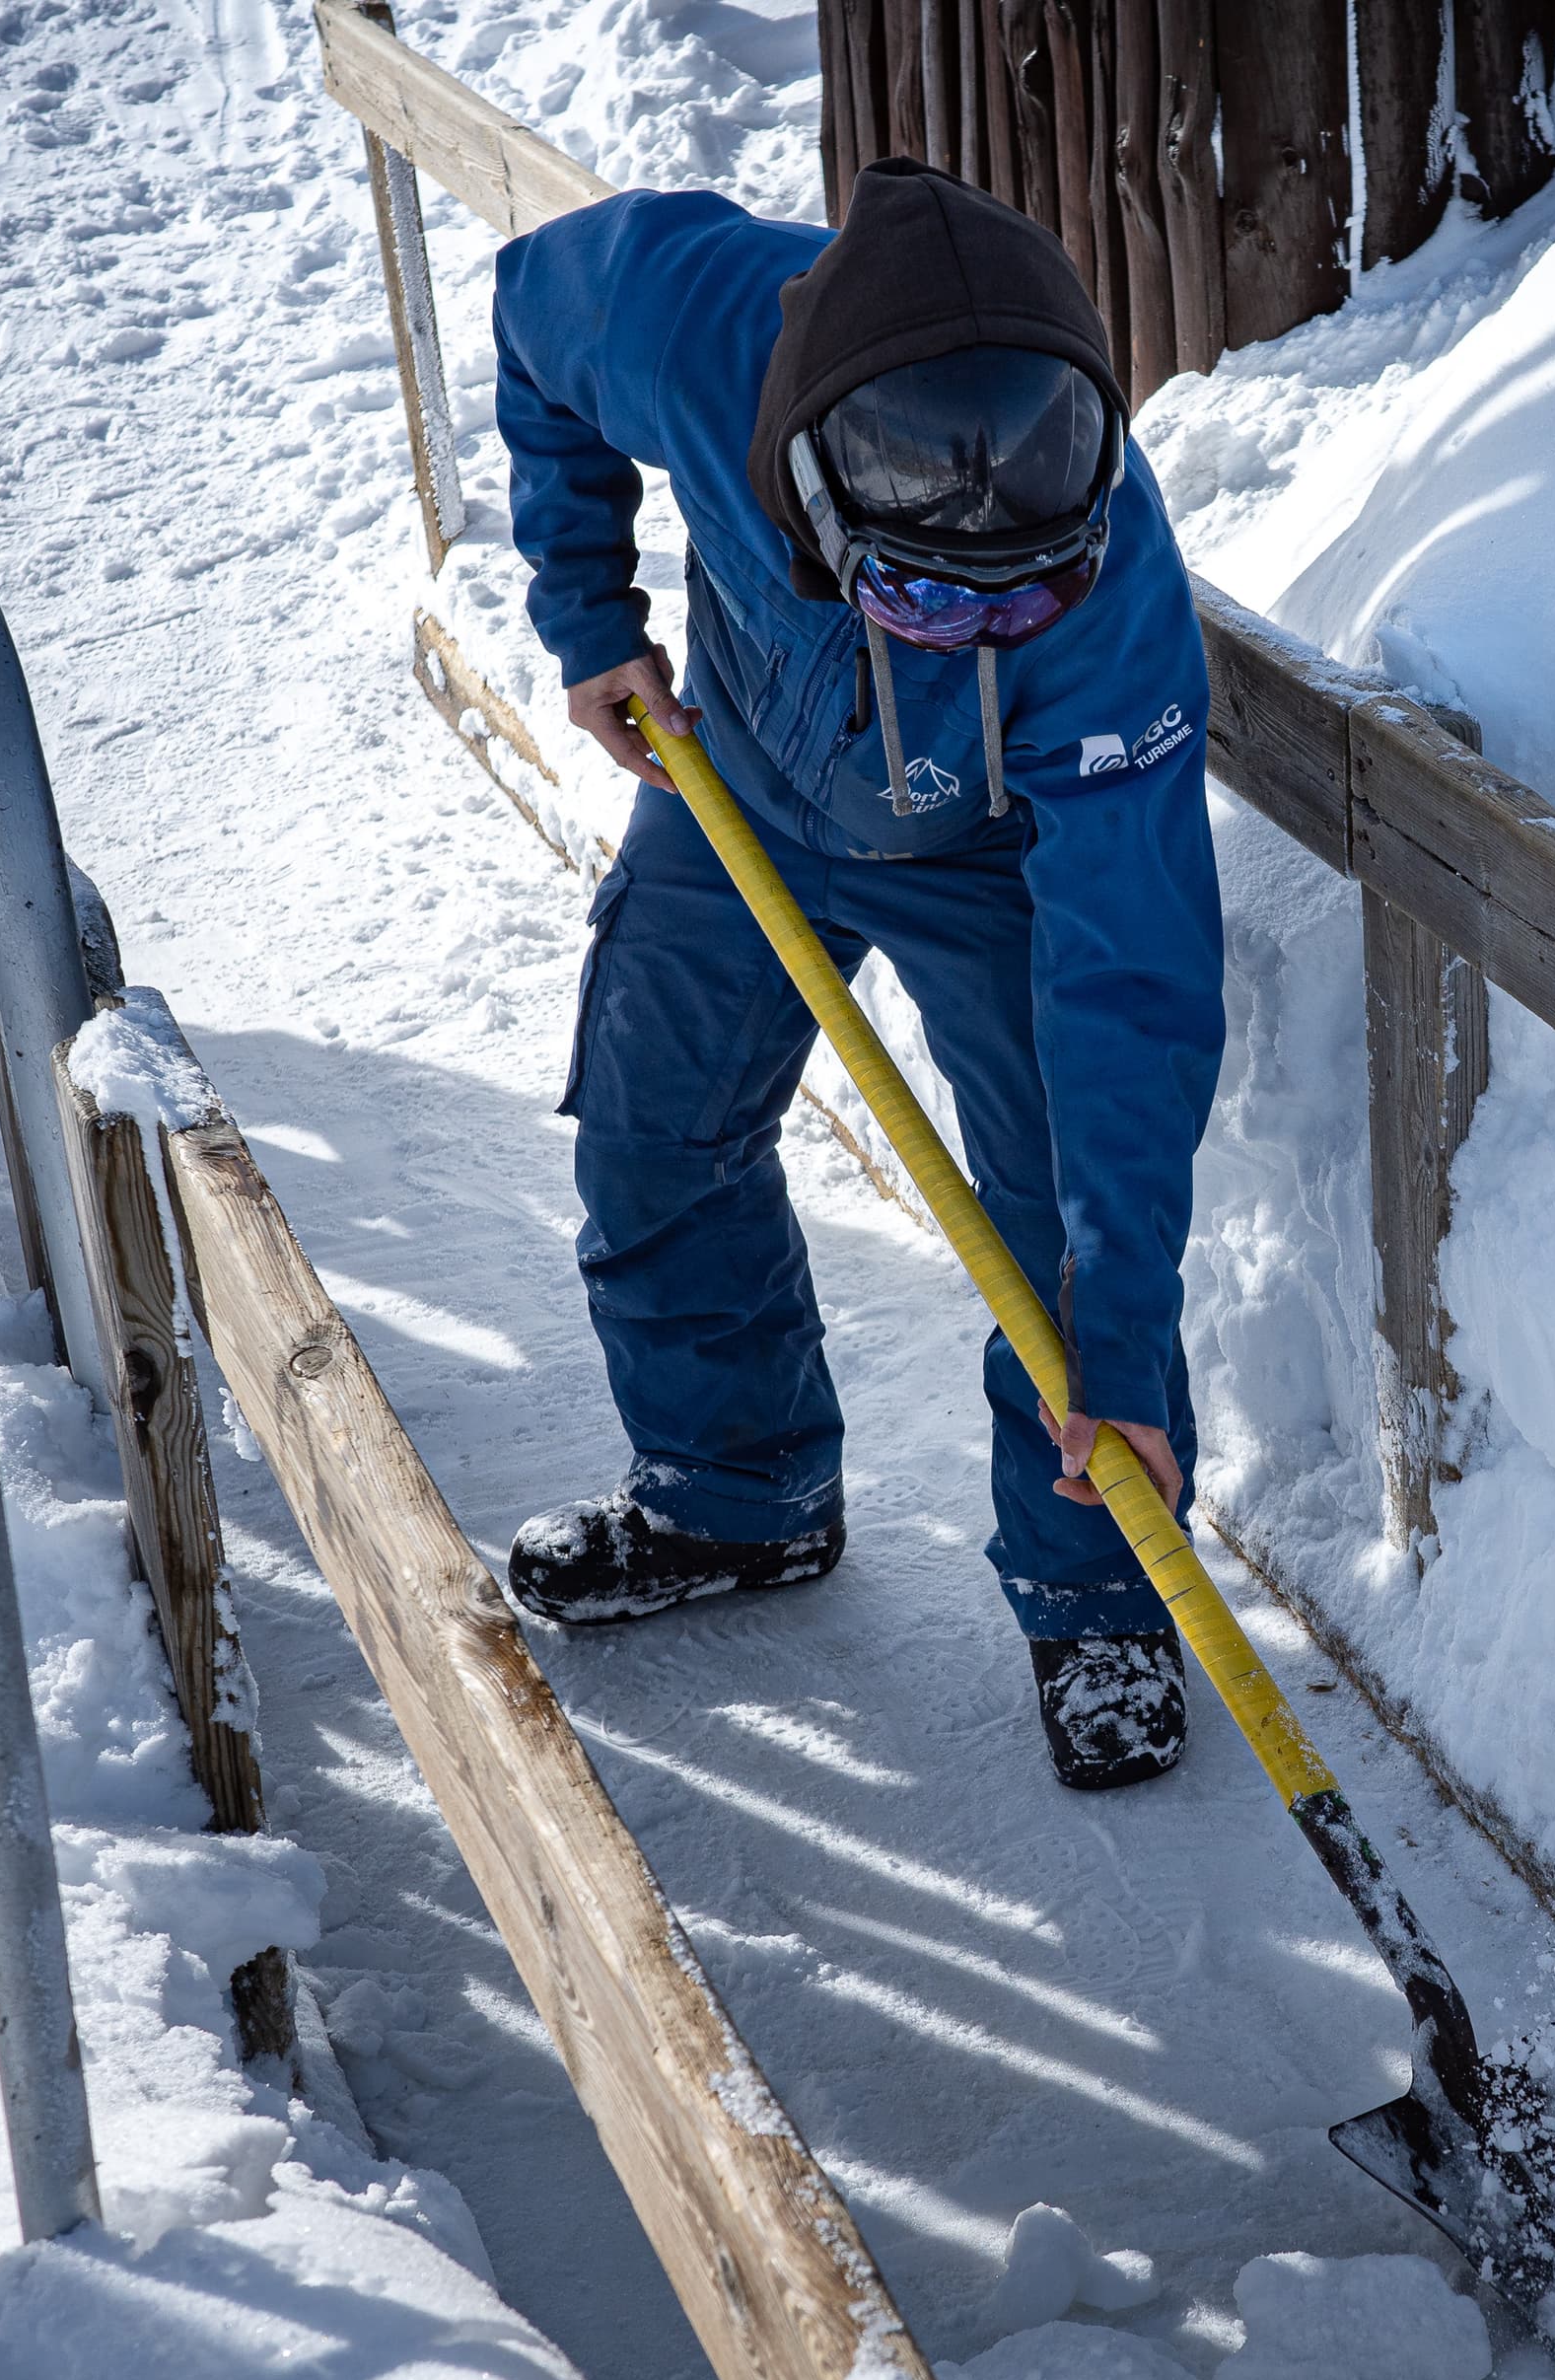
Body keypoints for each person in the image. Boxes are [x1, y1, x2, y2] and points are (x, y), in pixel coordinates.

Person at [489, 159, 1223, 1792]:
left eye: (1021, 597)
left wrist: (1119, 1357)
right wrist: (588, 615)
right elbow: (533, 319)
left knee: (1054, 1216)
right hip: (741, 776)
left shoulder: (1116, 619)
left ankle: (1100, 1589)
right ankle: (735, 1492)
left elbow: (1133, 991)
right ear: (815, 486)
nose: (981, 630)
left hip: (997, 854)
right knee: (651, 1115)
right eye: (924, 597)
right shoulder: (686, 317)